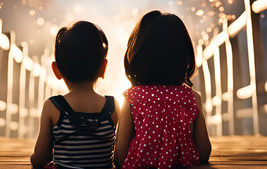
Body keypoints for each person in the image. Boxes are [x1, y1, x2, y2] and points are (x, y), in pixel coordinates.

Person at [115, 10, 211, 168]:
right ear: (184, 55)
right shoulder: (190, 97)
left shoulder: (132, 98)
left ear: (138, 56)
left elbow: (120, 155)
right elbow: (204, 153)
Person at [30, 21, 119, 169]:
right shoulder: (113, 106)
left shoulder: (53, 106)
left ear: (56, 70)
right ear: (103, 68)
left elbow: (41, 158)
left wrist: (34, 157)